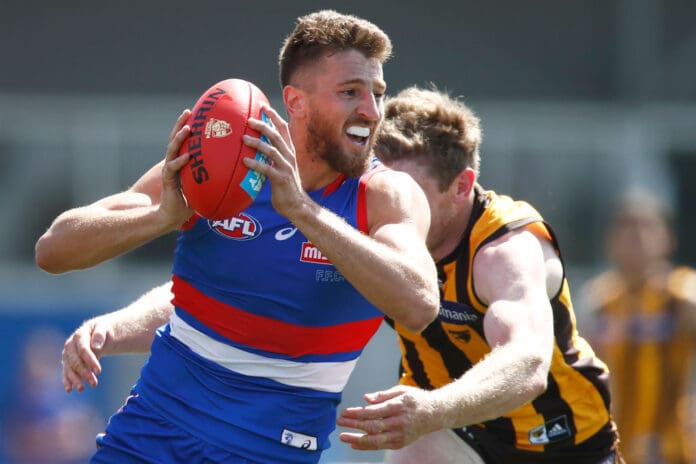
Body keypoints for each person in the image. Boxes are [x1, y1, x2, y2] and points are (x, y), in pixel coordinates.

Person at [36, 10, 440, 464]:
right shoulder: (229, 158)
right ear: (296, 102)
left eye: (377, 93)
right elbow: (53, 249)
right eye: (350, 92)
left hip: (270, 451)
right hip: (152, 431)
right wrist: (163, 217)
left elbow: (419, 304)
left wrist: (303, 212)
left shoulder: (385, 194)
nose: (371, 109)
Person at [335, 86, 624, 464]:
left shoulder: (507, 249)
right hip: (454, 434)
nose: (394, 206)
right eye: (385, 189)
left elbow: (527, 364)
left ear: (462, 186)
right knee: (414, 447)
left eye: (411, 193)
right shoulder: (373, 222)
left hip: (562, 444)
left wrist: (433, 408)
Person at [581, 189, 696, 464]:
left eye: (647, 226)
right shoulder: (599, 301)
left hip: (675, 450)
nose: (636, 236)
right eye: (626, 227)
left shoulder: (682, 293)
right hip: (620, 450)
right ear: (611, 241)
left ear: (668, 238)